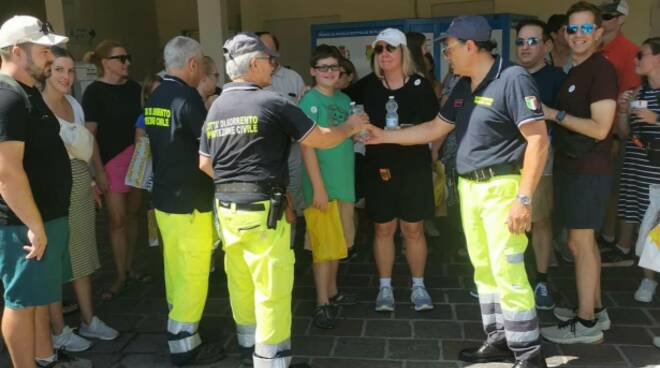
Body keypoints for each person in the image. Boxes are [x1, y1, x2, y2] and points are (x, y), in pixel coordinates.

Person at [365, 15, 549, 368]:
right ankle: (499, 339)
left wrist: (523, 199)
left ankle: (528, 353)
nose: (445, 54)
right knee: (484, 268)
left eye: (448, 47)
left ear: (470, 46)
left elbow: (538, 140)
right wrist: (383, 135)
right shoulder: (463, 86)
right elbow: (436, 127)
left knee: (508, 269)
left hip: (502, 188)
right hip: (470, 189)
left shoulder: (512, 79)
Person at [199, 32, 367, 368]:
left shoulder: (217, 105)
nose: (273, 67)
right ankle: (271, 359)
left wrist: (235, 184)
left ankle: (248, 344)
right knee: (272, 288)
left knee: (241, 280)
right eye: (270, 61)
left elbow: (205, 163)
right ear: (256, 64)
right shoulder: (271, 101)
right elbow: (318, 138)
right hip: (263, 212)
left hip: (226, 210)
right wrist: (349, 126)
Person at [0, 15, 90, 367]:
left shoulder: (28, 92)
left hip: (45, 217)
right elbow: (7, 173)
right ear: (18, 52)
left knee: (37, 298)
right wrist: (35, 226)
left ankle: (44, 358)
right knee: (21, 302)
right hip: (23, 224)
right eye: (43, 49)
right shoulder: (7, 97)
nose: (51, 56)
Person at [539, 1, 618, 344]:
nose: (578, 35)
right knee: (581, 243)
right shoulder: (576, 70)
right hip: (574, 167)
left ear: (599, 33)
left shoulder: (601, 69)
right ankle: (595, 311)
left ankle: (585, 324)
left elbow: (601, 128)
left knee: (580, 243)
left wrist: (551, 114)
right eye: (573, 29)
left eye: (586, 28)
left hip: (589, 169)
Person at [144, 36, 224, 366]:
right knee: (193, 273)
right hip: (190, 200)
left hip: (164, 199)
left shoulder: (156, 95)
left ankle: (180, 330)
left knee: (175, 270)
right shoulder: (187, 97)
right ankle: (185, 345)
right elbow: (208, 148)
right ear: (192, 64)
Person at [345, 28, 438, 313]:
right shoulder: (367, 86)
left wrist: (430, 153)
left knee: (413, 229)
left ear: (403, 52)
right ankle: (385, 287)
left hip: (414, 168)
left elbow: (436, 127)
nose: (384, 54)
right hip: (379, 167)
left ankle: (418, 285)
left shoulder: (421, 86)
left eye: (390, 48)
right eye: (379, 49)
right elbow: (342, 108)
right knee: (383, 228)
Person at [42, 46, 119, 353]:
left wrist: (97, 175)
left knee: (83, 255)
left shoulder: (74, 103)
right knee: (54, 261)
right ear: (46, 71)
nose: (66, 76)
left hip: (79, 184)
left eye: (70, 70)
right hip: (52, 189)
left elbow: (88, 142)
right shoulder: (36, 107)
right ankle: (58, 329)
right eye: (59, 70)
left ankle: (88, 319)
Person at [82, 39, 148, 301]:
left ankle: (129, 267)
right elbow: (90, 136)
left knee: (133, 215)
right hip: (110, 162)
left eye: (127, 57)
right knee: (117, 221)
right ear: (104, 63)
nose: (127, 63)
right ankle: (120, 275)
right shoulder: (94, 93)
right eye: (121, 58)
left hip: (137, 159)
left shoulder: (134, 89)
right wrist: (97, 170)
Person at [299, 45, 358, 329]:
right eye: (323, 67)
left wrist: (361, 132)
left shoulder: (346, 100)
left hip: (344, 183)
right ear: (312, 71)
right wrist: (318, 188)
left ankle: (333, 292)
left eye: (334, 67)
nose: (329, 72)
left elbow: (347, 136)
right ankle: (322, 302)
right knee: (323, 248)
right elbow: (307, 147)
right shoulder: (309, 101)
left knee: (339, 243)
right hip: (322, 186)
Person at [514, 19, 567, 310]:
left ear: (546, 45)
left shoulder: (557, 78)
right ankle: (513, 279)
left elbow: (568, 118)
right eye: (521, 41)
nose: (525, 47)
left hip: (543, 158)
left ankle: (542, 280)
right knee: (511, 222)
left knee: (541, 220)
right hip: (509, 160)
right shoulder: (508, 75)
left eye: (532, 41)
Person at [596, 0, 642, 267]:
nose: (604, 19)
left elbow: (626, 97)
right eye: (601, 14)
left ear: (621, 19)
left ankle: (614, 238)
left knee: (616, 188)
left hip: (614, 131)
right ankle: (607, 235)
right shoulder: (597, 46)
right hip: (592, 130)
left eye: (609, 15)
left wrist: (614, 135)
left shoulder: (629, 51)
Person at [615, 37, 660, 301]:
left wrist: (657, 119)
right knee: (645, 225)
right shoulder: (638, 93)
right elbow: (624, 134)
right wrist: (622, 112)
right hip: (638, 165)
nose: (635, 61)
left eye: (641, 55)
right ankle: (648, 280)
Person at [257, 31, 307, 245]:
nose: (268, 53)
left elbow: (303, 112)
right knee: (266, 202)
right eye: (262, 48)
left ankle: (290, 248)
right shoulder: (252, 79)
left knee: (292, 201)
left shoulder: (292, 77)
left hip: (292, 150)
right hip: (263, 155)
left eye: (271, 48)